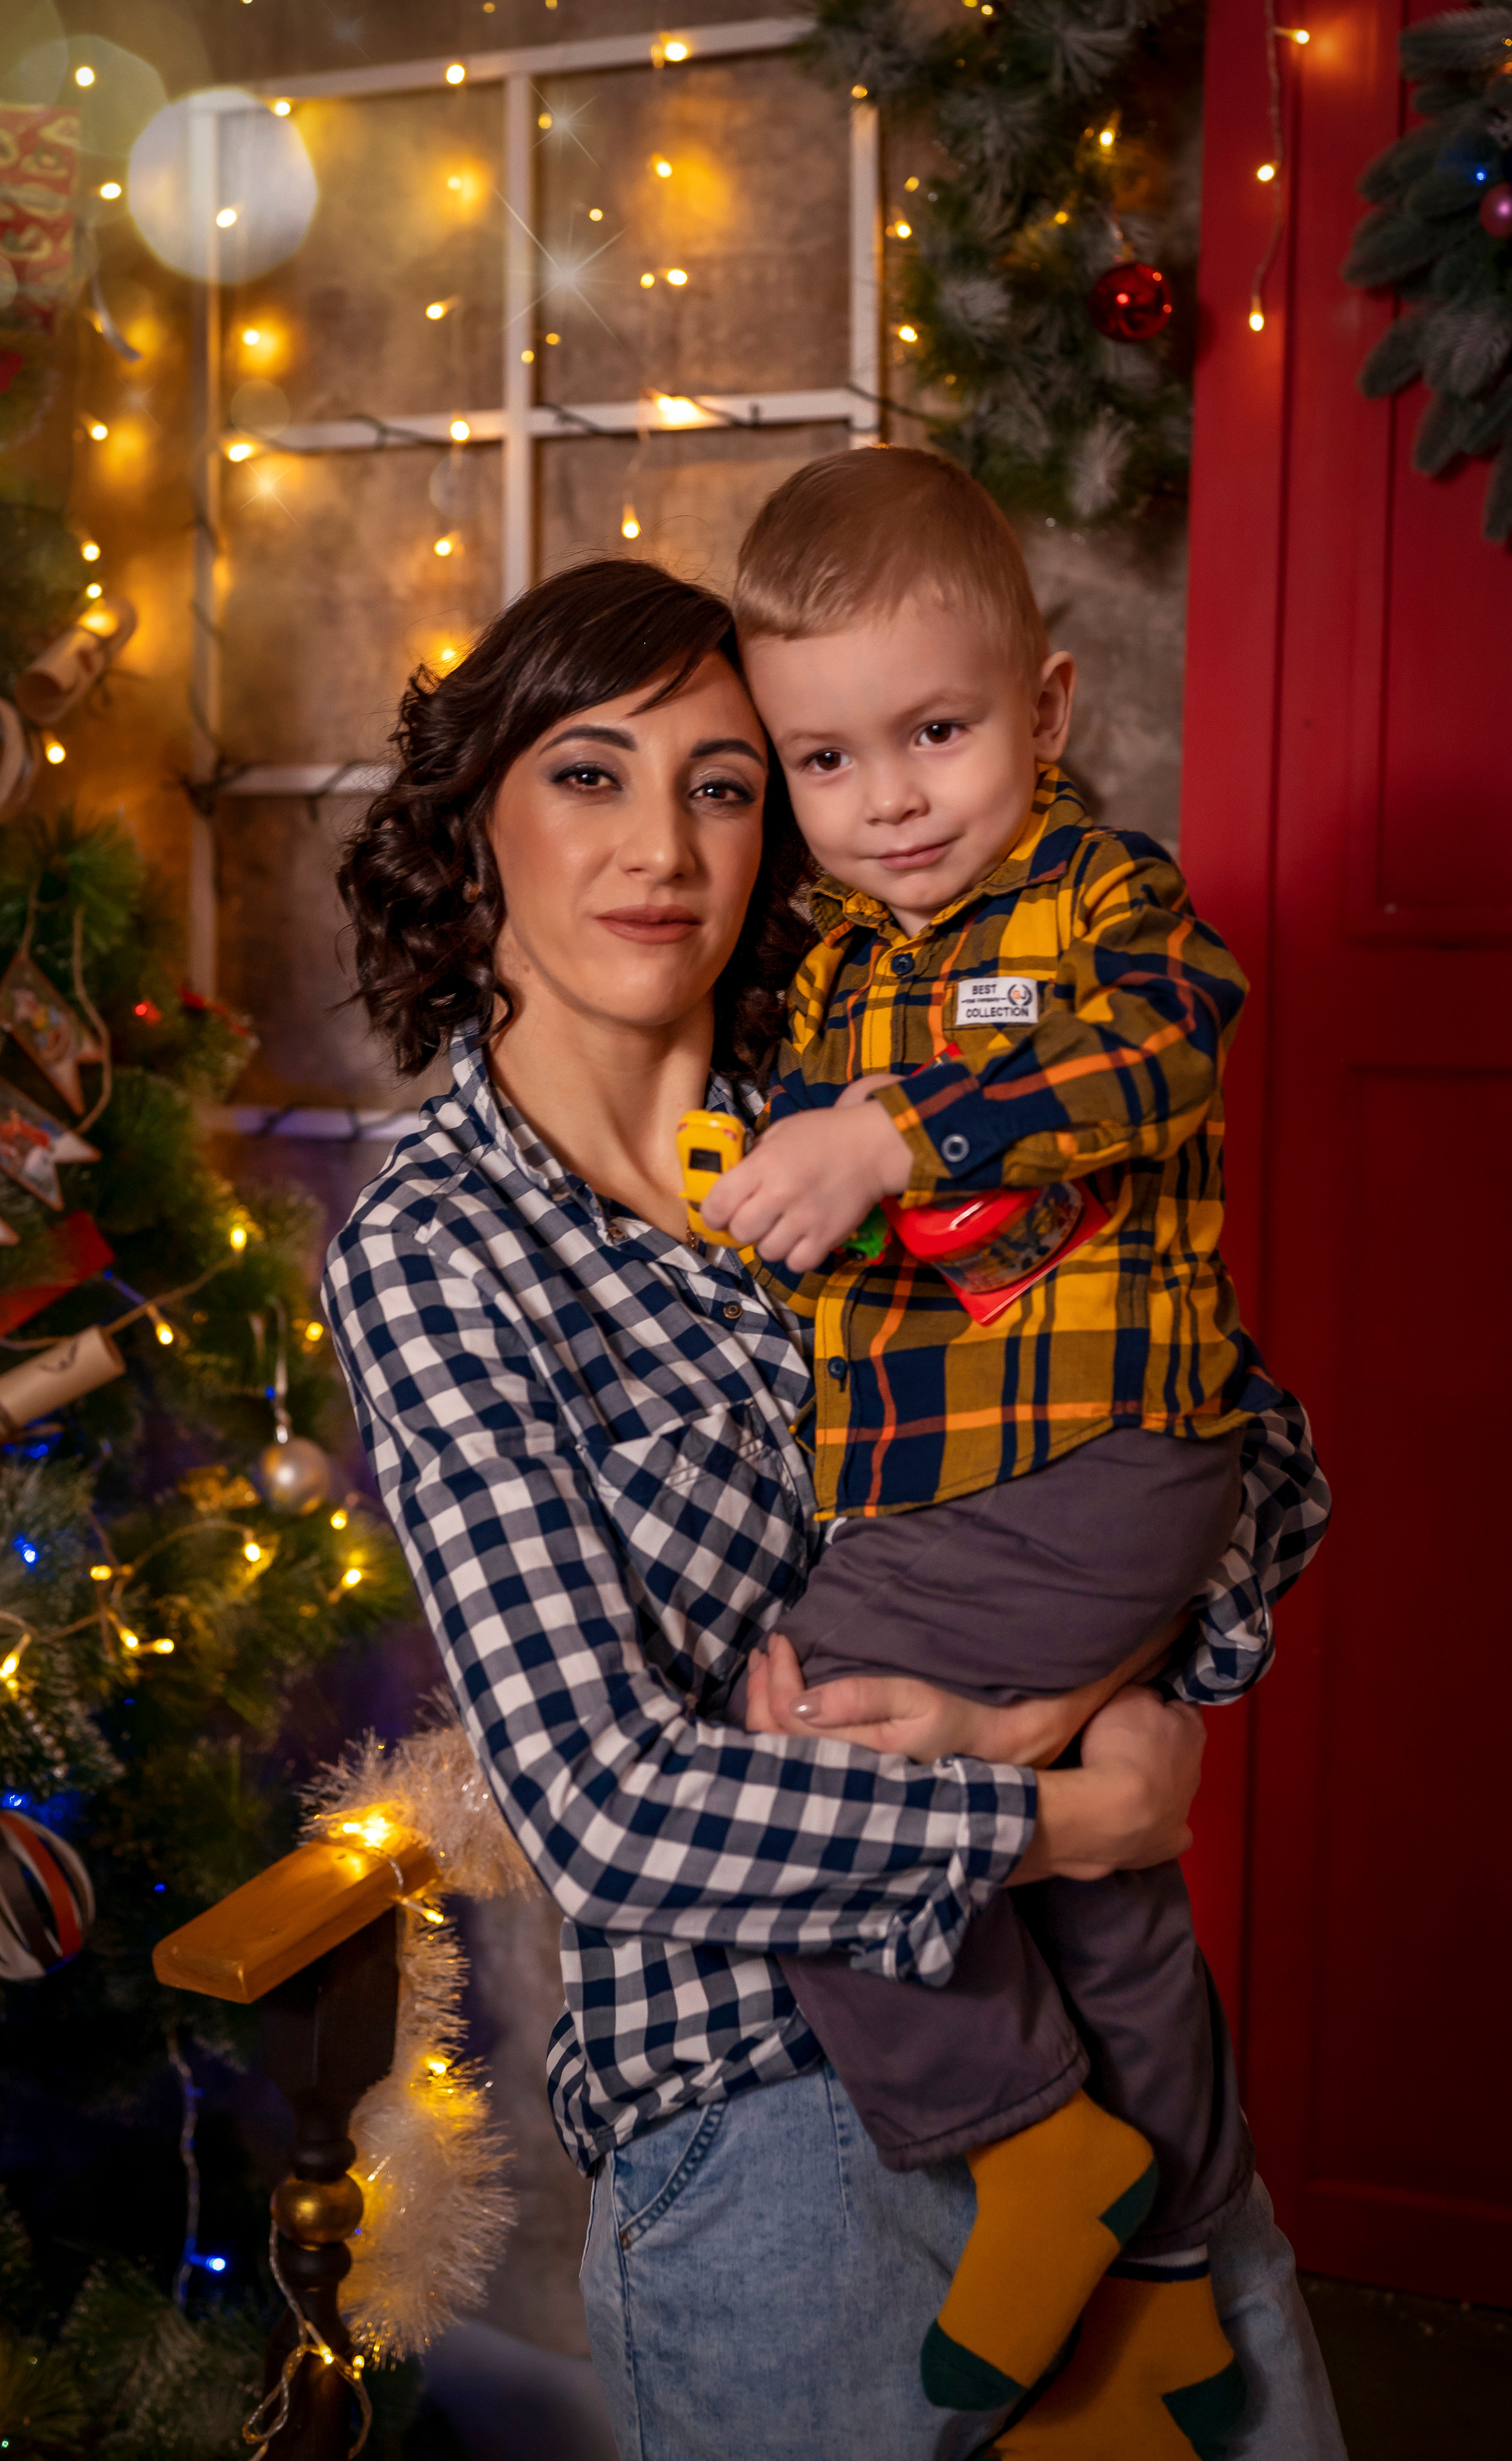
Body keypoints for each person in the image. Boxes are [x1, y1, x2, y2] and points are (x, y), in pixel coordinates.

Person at [323, 554, 1344, 2461]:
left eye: (722, 784)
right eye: (590, 774)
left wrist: (1084, 1695)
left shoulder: (886, 1084)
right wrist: (1060, 1810)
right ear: (476, 826)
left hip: (1129, 2075)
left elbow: (1245, 1446)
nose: (663, 848)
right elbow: (609, 1810)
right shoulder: (445, 1249)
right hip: (769, 2127)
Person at [696, 447, 1312, 2453]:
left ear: (1044, 710)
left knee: (797, 1762)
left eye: (937, 733)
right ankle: (1176, 2272)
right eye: (825, 760)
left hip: (1084, 1457)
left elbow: (1173, 1034)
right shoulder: (820, 965)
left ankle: (1028, 2144)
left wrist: (900, 1134)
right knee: (1093, 1889)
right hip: (960, 1480)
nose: (887, 800)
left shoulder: (1097, 894)